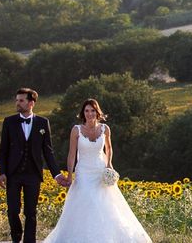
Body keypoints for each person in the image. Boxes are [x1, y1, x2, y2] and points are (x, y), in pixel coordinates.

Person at [43, 98, 152, 243]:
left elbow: (109, 148)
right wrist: (69, 175)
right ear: (83, 113)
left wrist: (109, 165)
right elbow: (72, 154)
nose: (89, 114)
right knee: (89, 201)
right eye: (86, 111)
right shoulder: (76, 130)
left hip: (100, 171)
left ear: (97, 112)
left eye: (92, 110)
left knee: (106, 204)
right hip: (83, 172)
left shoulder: (105, 129)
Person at [0, 88, 70, 243]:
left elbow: (48, 151)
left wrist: (57, 175)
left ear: (31, 103)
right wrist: (2, 172)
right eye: (17, 100)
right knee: (13, 211)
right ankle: (16, 238)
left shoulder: (43, 123)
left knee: (31, 212)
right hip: (13, 174)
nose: (17, 103)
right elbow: (3, 150)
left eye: (21, 100)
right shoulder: (9, 122)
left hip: (33, 174)